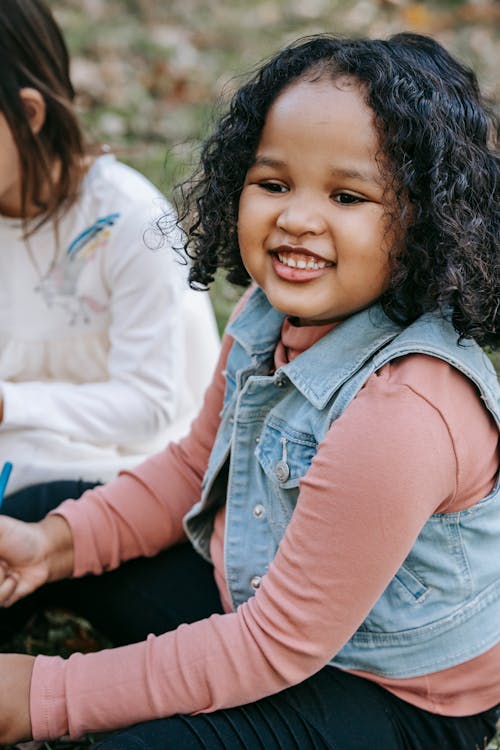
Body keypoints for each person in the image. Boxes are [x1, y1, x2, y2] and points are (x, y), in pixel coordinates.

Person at [0, 31, 498, 750]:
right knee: (37, 517)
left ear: (426, 219)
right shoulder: (267, 317)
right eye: (273, 183)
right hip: (261, 596)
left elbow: (272, 648)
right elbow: (188, 472)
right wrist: (48, 546)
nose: (296, 216)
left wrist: (47, 695)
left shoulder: (406, 414)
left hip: (389, 693)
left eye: (347, 194)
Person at [0, 0, 220, 507]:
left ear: (29, 113)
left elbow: (149, 406)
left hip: (128, 475)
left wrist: (9, 404)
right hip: (21, 451)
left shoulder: (128, 220)